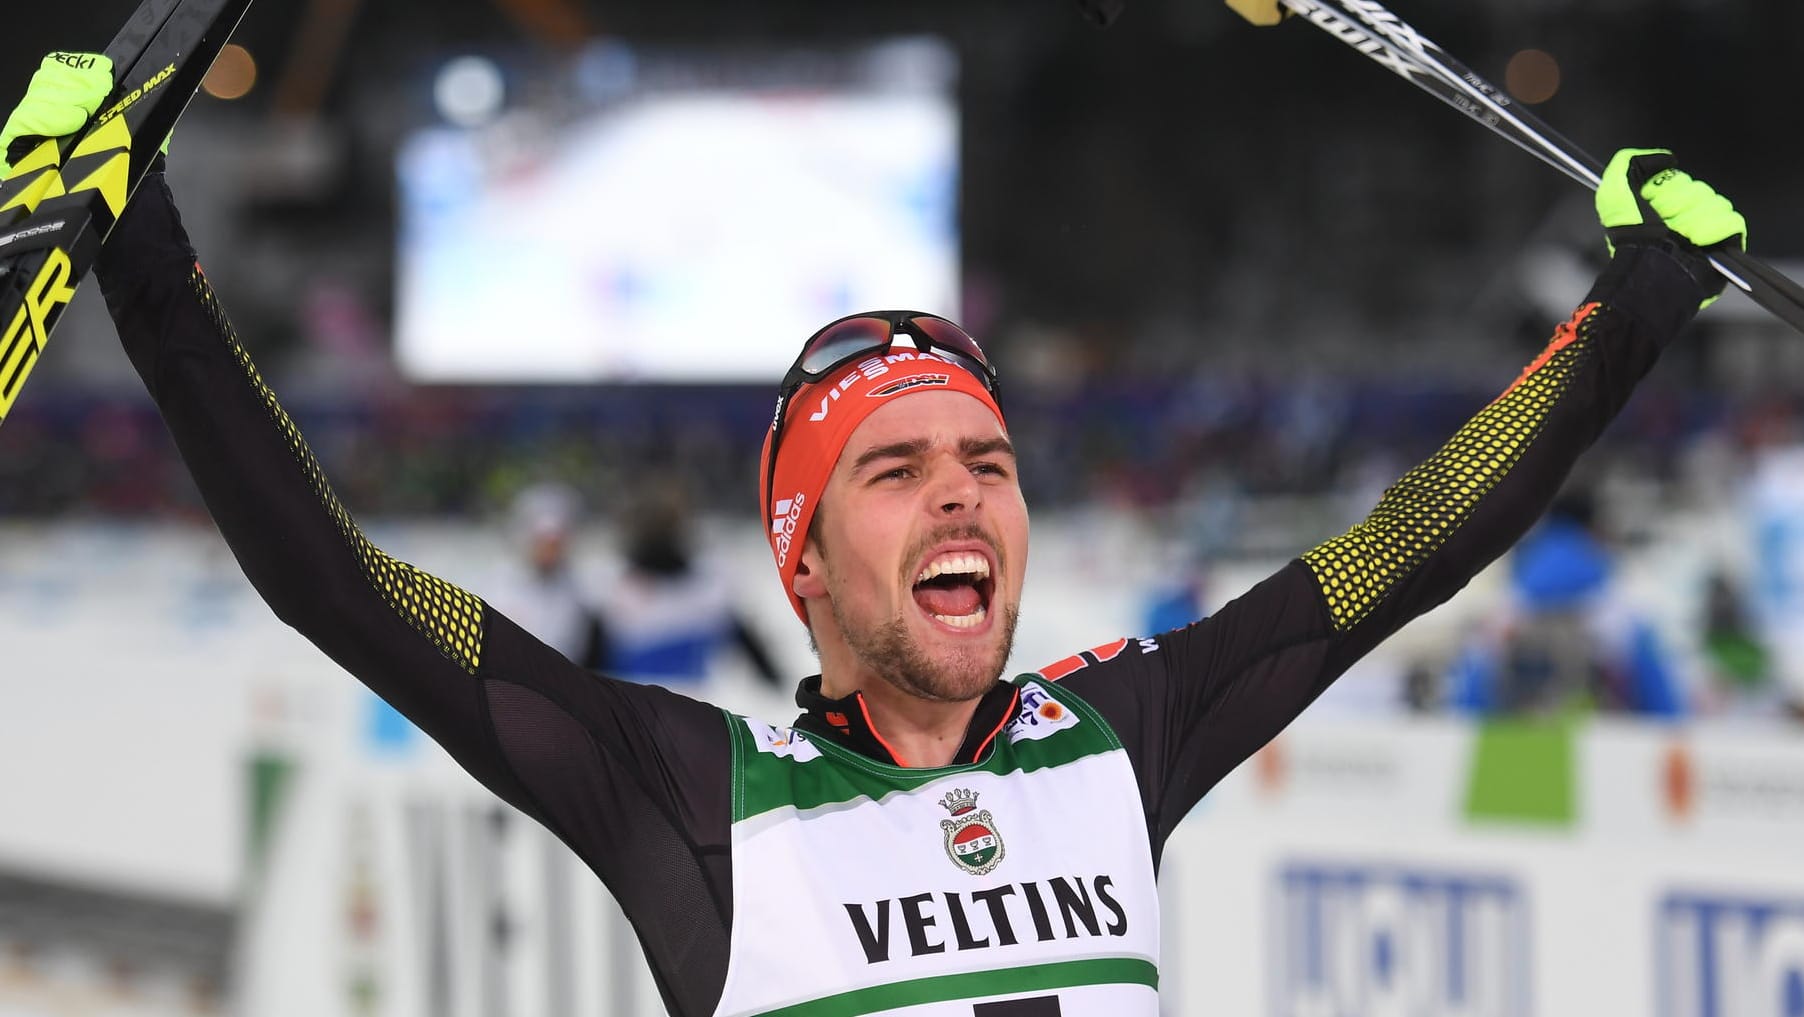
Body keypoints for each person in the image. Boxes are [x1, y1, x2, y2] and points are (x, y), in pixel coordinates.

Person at [4, 52, 1749, 1016]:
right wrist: (147, 263)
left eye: (986, 457)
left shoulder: (1119, 732)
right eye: (897, 468)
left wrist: (1630, 318)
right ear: (805, 561)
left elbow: (1412, 545)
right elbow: (342, 586)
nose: (965, 491)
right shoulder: (688, 793)